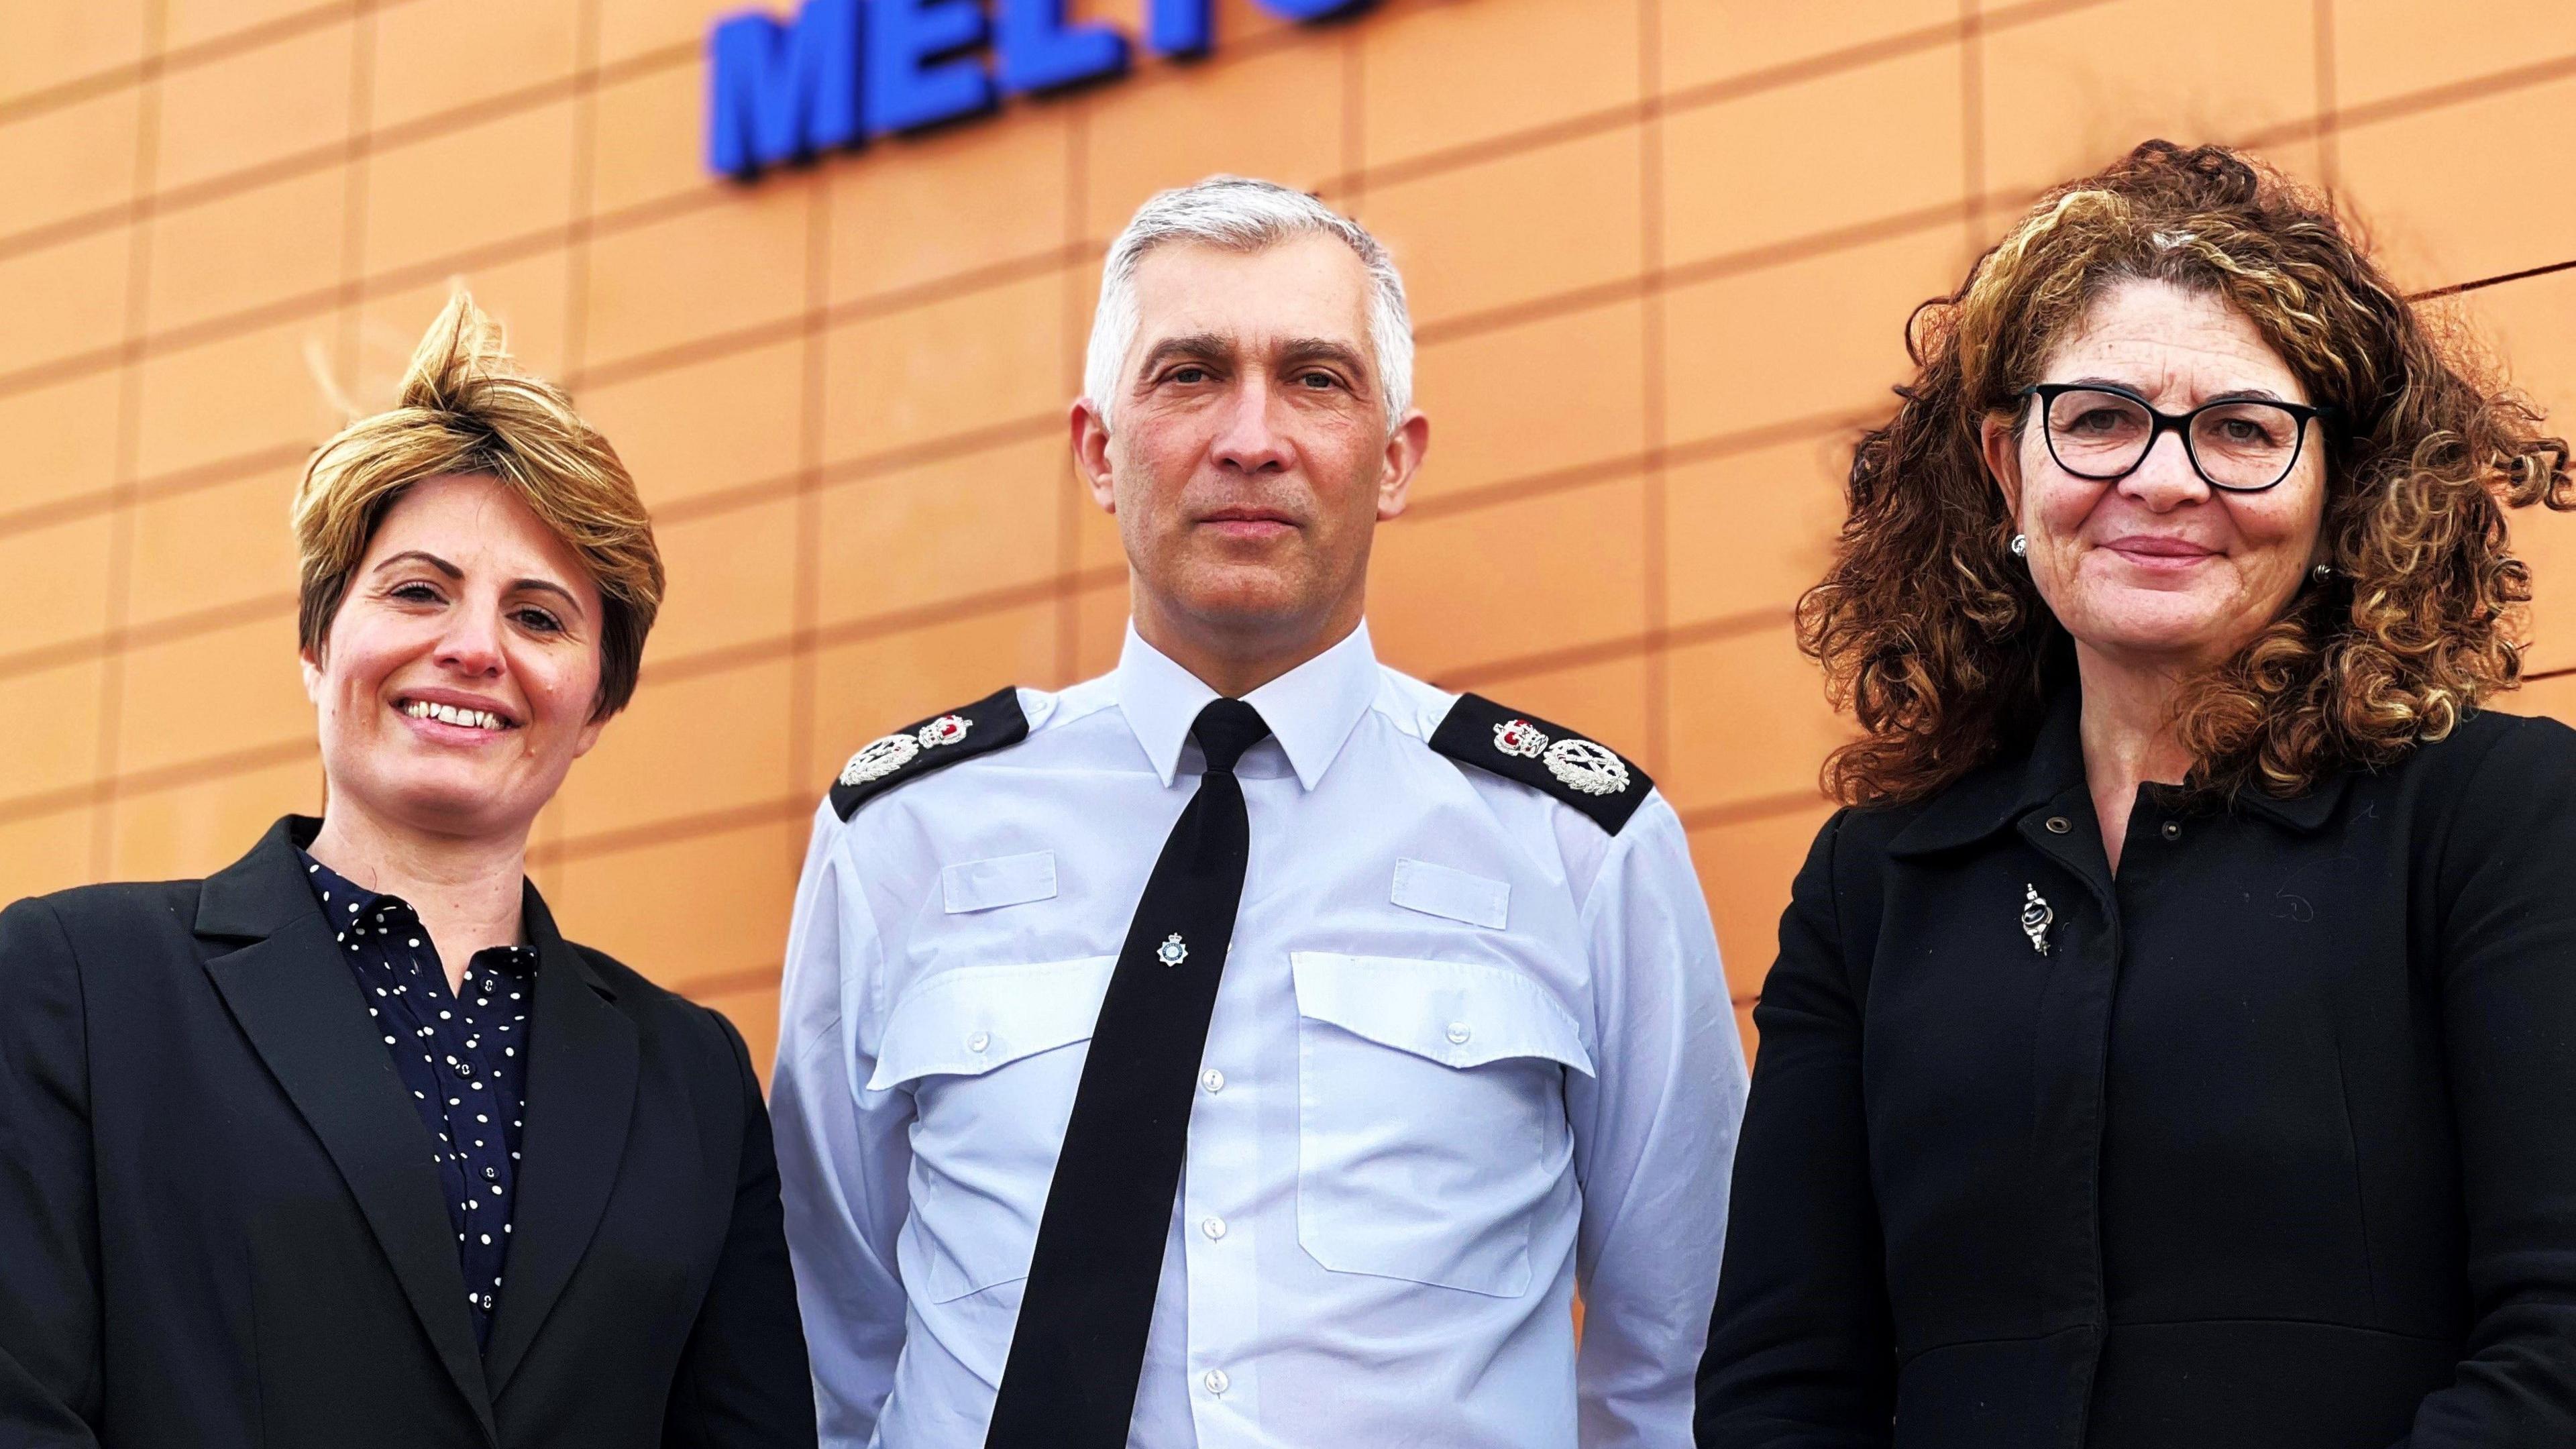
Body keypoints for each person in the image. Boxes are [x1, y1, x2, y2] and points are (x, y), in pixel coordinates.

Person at [773, 176, 1749, 1447]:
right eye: (1187, 374)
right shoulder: (897, 836)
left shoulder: (1583, 849)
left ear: (1395, 461)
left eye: (1315, 379)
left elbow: (1680, 1354)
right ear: (1097, 451)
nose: (1251, 437)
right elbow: (829, 1337)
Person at [1694, 140, 2576, 1448]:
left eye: (2242, 430)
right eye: (2100, 418)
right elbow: (1782, 1387)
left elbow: (2558, 1348)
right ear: (2009, 469)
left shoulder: (2502, 820)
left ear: (2339, 496)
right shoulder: (1872, 883)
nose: (2163, 479)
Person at [0, 294, 817, 1448]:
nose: (475, 648)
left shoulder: (691, 1079)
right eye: (419, 591)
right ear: (317, 642)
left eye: (539, 617)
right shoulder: (74, 985)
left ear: (595, 708)